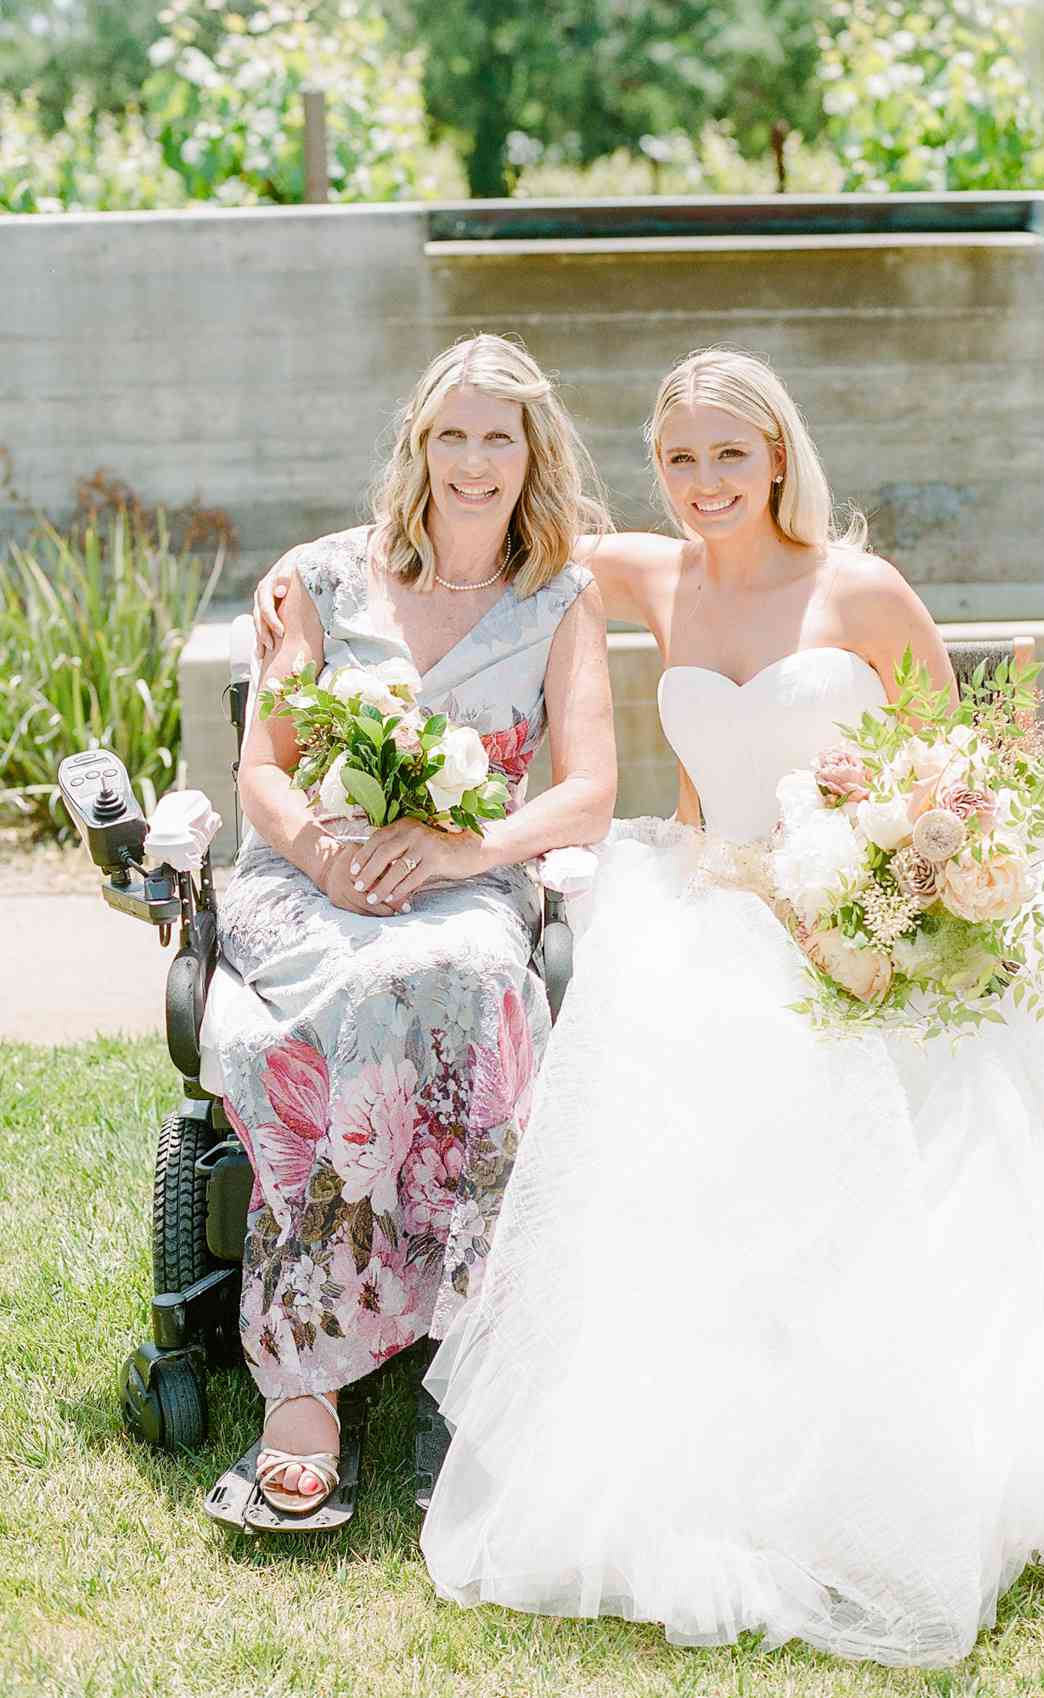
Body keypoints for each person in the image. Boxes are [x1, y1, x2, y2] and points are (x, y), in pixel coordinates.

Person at [252, 348, 1044, 1659]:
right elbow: (470, 520)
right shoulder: (647, 569)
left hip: (852, 898)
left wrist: (902, 866)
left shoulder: (865, 588)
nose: (707, 481)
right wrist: (297, 574)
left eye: (731, 454)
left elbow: (955, 769)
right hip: (706, 885)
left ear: (780, 454)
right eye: (682, 459)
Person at [216, 334, 615, 1521]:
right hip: (309, 875)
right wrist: (328, 855)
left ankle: (467, 1358)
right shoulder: (324, 581)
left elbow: (583, 789)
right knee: (371, 983)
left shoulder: (559, 600)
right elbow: (263, 770)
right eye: (454, 434)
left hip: (467, 876)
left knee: (460, 966)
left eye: (500, 435)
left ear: (532, 452)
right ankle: (304, 1380)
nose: (475, 460)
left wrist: (461, 851)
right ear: (419, 445)